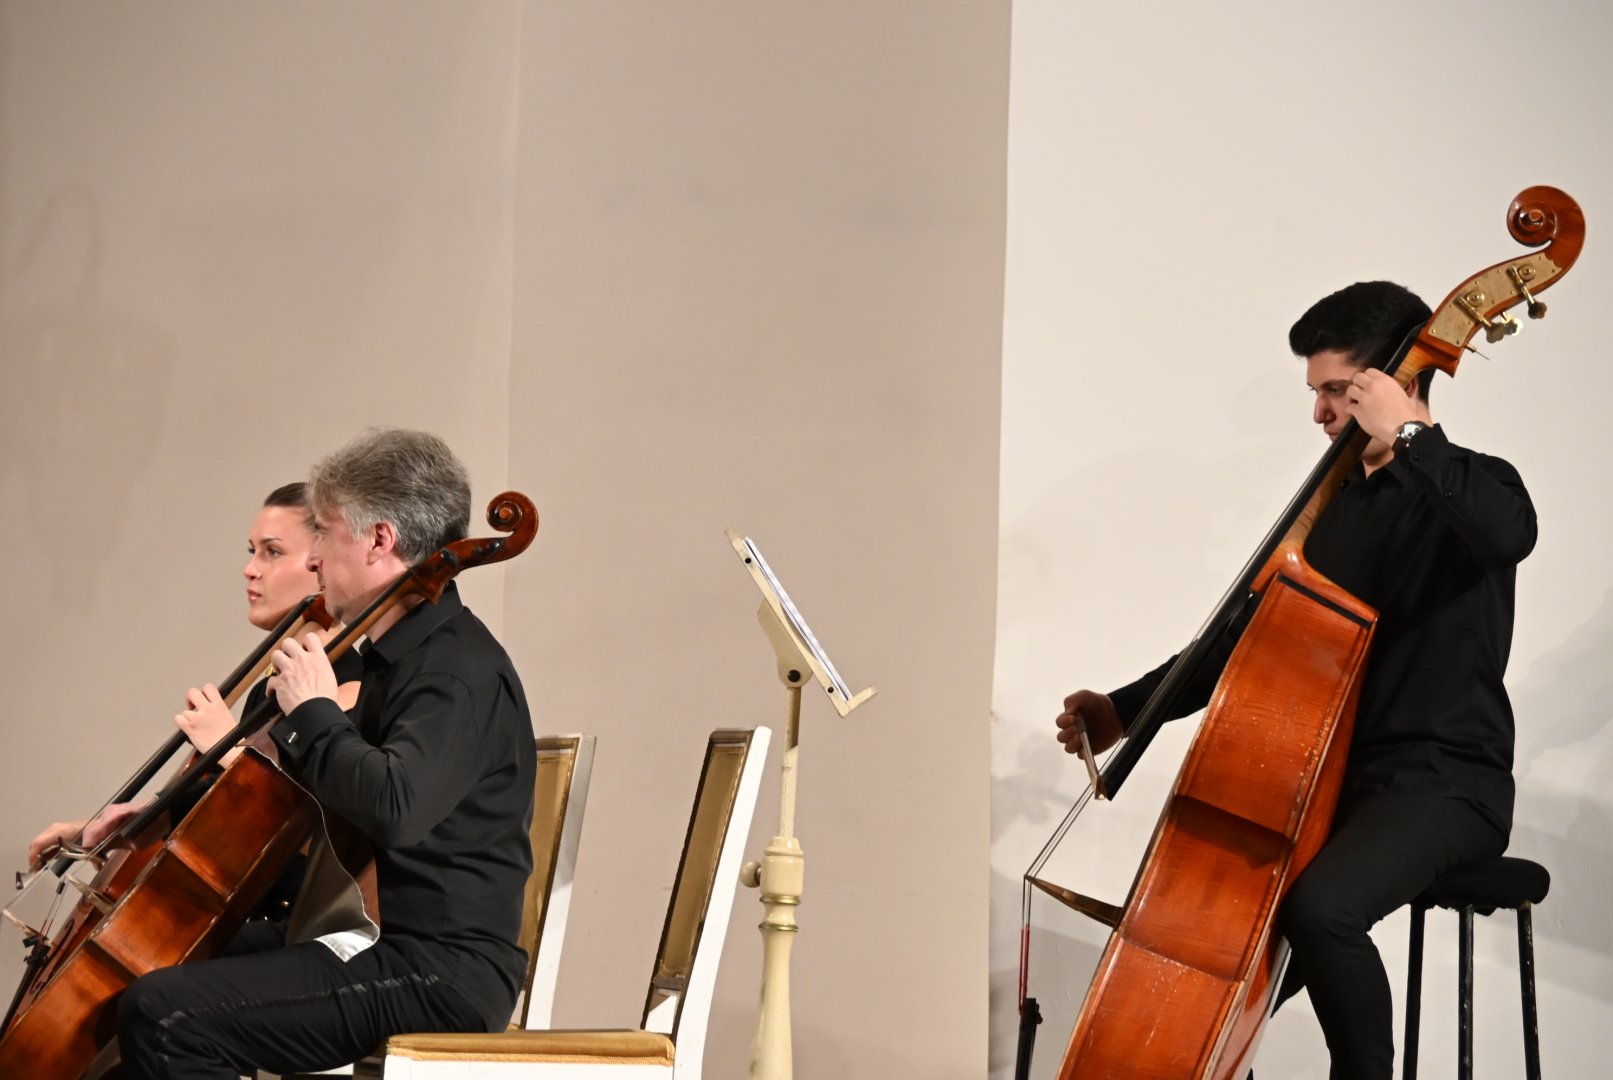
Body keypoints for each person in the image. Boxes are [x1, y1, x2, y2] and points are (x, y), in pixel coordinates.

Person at [1054, 281, 1532, 1080]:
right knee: (1236, 955)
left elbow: (1508, 534)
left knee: (1323, 910)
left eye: (1338, 393)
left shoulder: (1475, 487)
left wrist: (1414, 438)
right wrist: (1124, 713)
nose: (1320, 415)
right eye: (1316, 395)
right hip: (1337, 792)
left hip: (1446, 786)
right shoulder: (1336, 513)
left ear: (1392, 383)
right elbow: (1243, 642)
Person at [116, 429, 537, 1079]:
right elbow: (290, 798)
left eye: (329, 534)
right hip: (364, 937)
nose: (313, 563)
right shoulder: (394, 660)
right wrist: (160, 813)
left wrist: (315, 710)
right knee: (147, 969)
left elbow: (395, 807)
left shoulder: (455, 667)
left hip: (433, 968)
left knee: (167, 1014)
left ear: (379, 540)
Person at [24, 483, 359, 875]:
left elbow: (316, 833)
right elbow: (215, 816)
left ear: (321, 561)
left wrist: (224, 745)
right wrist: (102, 830)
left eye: (273, 552)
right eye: (253, 552)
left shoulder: (348, 685)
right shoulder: (267, 685)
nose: (251, 569)